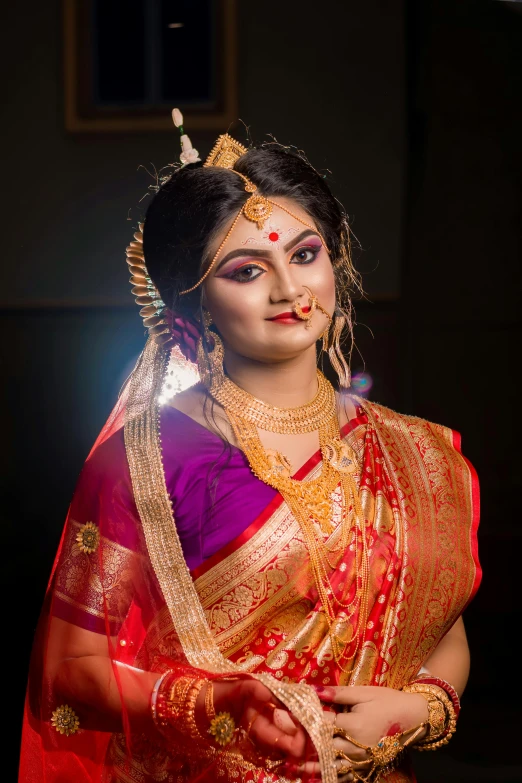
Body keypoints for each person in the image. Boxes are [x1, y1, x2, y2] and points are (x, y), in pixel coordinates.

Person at [19, 110, 481, 783]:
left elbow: (445, 635)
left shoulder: (417, 453)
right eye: (246, 270)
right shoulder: (144, 461)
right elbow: (69, 671)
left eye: (303, 253)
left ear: (334, 258)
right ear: (192, 301)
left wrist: (421, 708)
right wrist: (216, 704)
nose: (289, 289)